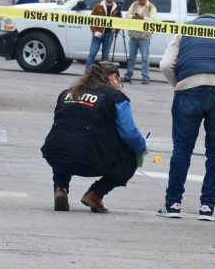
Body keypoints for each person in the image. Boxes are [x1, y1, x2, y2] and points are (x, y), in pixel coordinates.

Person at [157, 13, 215, 221]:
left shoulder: (185, 30)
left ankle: (173, 204)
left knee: (182, 148)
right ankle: (207, 207)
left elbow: (165, 65)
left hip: (188, 87)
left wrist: (179, 85)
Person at [41, 61, 146, 214]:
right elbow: (129, 133)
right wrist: (142, 148)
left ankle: (60, 188)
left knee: (65, 143)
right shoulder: (116, 97)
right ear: (114, 77)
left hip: (54, 154)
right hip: (90, 159)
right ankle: (96, 193)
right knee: (131, 156)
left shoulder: (66, 93)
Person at [123, 0, 158, 84]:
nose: (140, 1)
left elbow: (154, 21)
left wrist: (143, 18)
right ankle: (128, 76)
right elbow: (127, 15)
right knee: (131, 57)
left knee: (145, 58)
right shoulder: (134, 4)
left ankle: (145, 77)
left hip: (144, 36)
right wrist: (133, 17)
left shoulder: (151, 7)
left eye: (142, 0)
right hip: (134, 35)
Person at [85, 0, 122, 70]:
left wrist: (116, 31)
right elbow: (91, 20)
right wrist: (94, 31)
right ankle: (87, 71)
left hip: (109, 34)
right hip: (98, 33)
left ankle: (104, 73)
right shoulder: (98, 6)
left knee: (105, 55)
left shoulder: (116, 8)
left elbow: (119, 22)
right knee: (93, 52)